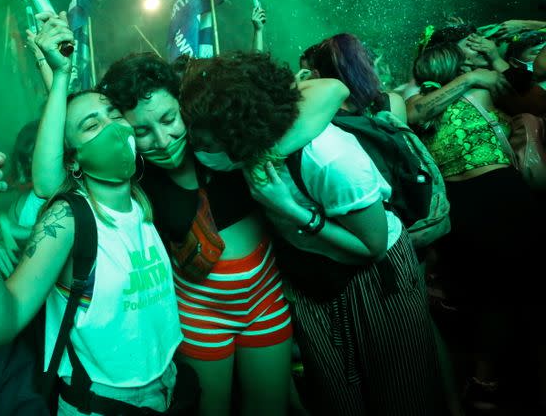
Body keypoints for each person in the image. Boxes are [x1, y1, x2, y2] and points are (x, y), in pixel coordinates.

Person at [0, 12, 183, 415]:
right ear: (74, 161)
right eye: (91, 126)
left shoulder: (139, 199)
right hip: (104, 403)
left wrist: (61, 70)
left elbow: (80, 119)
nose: (111, 128)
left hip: (168, 384)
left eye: (115, 116)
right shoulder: (69, 217)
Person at [79, 52, 347, 416]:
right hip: (201, 315)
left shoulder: (222, 133)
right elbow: (51, 179)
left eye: (169, 119)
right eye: (141, 131)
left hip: (265, 302)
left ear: (182, 105)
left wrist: (257, 154)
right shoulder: (135, 174)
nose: (162, 139)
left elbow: (331, 90)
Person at [179, 52, 445, 416]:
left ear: (237, 130)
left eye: (206, 139)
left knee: (400, 395)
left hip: (372, 278)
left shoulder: (330, 159)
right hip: (313, 278)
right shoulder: (240, 145)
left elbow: (373, 246)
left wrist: (291, 209)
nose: (196, 144)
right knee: (337, 399)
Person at [413, 41, 545, 412]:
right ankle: (490, 380)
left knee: (511, 292)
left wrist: (495, 63)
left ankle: (492, 380)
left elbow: (535, 106)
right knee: (494, 292)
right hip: (471, 204)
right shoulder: (427, 98)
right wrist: (476, 73)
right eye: (466, 58)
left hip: (499, 195)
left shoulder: (486, 89)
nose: (473, 60)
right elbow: (414, 111)